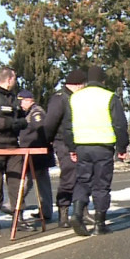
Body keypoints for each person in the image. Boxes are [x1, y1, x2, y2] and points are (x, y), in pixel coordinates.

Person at [65, 65, 129, 236]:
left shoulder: (75, 98)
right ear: (103, 80)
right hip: (103, 147)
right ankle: (100, 224)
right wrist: (122, 147)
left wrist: (72, 147)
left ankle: (77, 213)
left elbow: (67, 126)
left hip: (82, 146)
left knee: (82, 181)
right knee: (101, 185)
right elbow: (120, 124)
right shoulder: (109, 97)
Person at [0, 66, 30, 232]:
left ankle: (18, 216)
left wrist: (22, 121)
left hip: (12, 145)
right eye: (14, 79)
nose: (15, 82)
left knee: (16, 182)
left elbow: (19, 118)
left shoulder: (13, 98)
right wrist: (8, 123)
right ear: (9, 79)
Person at [44, 69, 87, 228]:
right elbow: (50, 122)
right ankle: (63, 210)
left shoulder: (76, 98)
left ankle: (81, 210)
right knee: (69, 175)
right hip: (62, 141)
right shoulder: (60, 98)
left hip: (79, 141)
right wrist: (47, 140)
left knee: (81, 176)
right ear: (78, 84)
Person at [17, 89, 55, 220]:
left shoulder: (36, 113)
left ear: (29, 101)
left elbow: (41, 131)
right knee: (43, 183)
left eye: (22, 101)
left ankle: (14, 205)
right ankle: (46, 211)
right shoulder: (30, 112)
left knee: (27, 181)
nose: (21, 104)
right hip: (38, 153)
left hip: (36, 153)